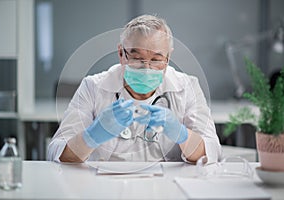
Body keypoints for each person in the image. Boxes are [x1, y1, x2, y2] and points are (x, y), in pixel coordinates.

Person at [48, 14, 221, 164]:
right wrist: (92, 136)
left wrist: (182, 135)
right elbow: (57, 152)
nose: (146, 68)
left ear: (168, 58)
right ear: (121, 53)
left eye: (156, 59)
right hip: (104, 185)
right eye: (137, 58)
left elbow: (212, 151)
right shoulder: (93, 87)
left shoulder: (187, 87)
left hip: (166, 186)